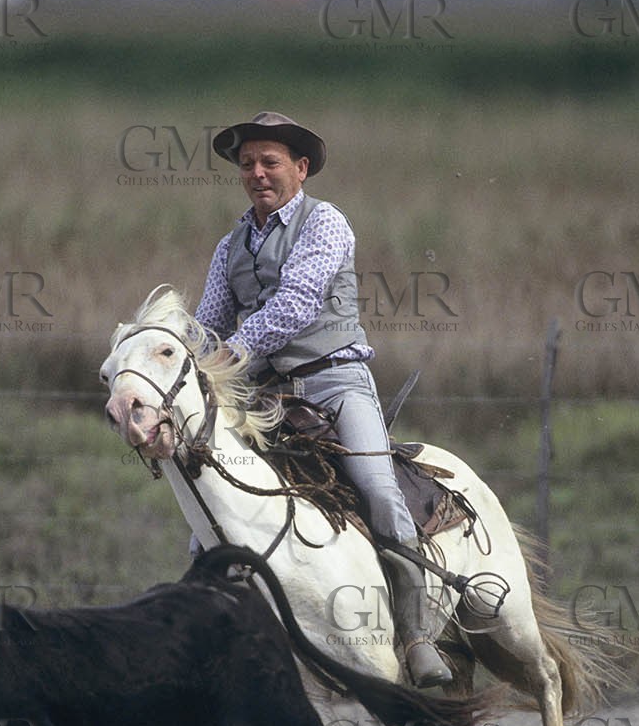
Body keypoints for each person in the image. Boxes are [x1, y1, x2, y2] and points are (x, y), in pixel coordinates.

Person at [194, 111, 452, 689]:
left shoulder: (325, 222)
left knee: (380, 492)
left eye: (270, 162)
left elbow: (295, 305)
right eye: (248, 164)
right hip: (265, 395)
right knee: (212, 506)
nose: (258, 173)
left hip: (336, 381)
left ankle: (417, 636)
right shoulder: (228, 245)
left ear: (301, 168)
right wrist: (168, 355)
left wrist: (230, 356)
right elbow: (209, 323)